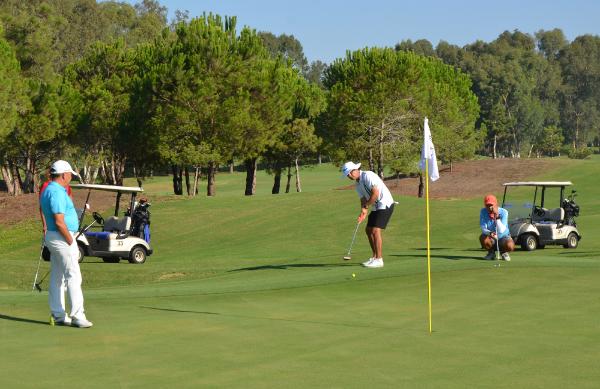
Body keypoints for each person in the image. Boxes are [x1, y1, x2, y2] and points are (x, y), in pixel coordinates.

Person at [40, 160, 93, 328]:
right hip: (61, 237)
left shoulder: (50, 189)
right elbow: (59, 221)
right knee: (73, 275)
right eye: (70, 174)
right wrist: (70, 240)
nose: (71, 177)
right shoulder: (56, 192)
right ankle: (78, 315)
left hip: (55, 236)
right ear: (64, 175)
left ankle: (58, 315)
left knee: (58, 276)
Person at [342, 161, 395, 268]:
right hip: (376, 206)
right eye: (347, 175)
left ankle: (379, 260)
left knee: (375, 230)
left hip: (385, 203)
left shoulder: (368, 175)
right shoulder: (357, 184)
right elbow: (363, 199)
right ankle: (375, 257)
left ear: (355, 170)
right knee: (368, 230)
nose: (349, 176)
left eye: (349, 173)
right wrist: (363, 212)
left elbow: (376, 193)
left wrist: (366, 206)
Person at [479, 194, 515, 261]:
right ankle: (491, 253)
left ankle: (504, 252)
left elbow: (501, 230)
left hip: (503, 237)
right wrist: (490, 233)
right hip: (491, 237)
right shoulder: (483, 211)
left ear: (496, 204)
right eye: (487, 205)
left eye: (491, 205)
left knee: (510, 246)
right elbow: (483, 228)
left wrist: (497, 216)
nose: (489, 207)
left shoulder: (504, 212)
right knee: (483, 238)